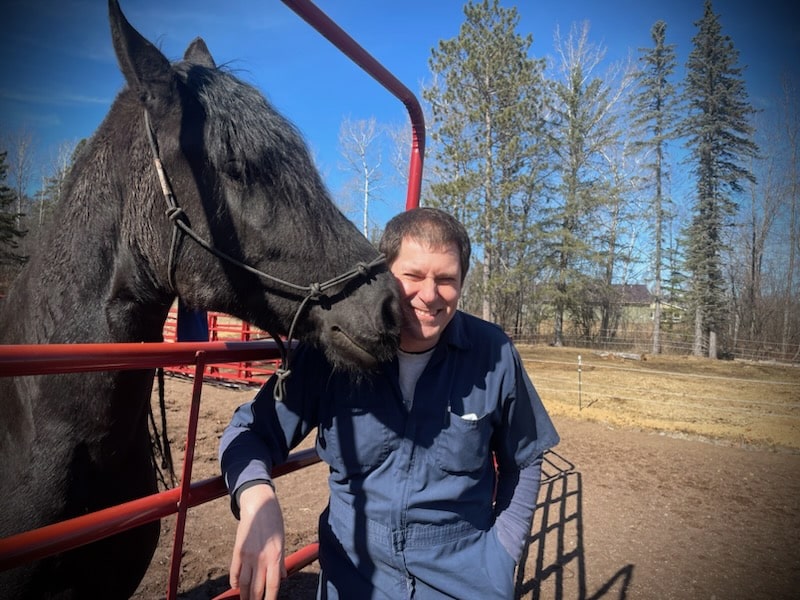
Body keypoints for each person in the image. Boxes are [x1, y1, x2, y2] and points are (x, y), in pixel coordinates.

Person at [219, 207, 559, 600]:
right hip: (353, 580)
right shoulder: (332, 353)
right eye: (412, 276)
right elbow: (248, 433)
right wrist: (257, 497)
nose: (429, 295)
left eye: (446, 279)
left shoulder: (494, 352)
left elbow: (525, 455)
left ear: (463, 283)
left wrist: (502, 552)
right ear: (383, 275)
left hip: (463, 579)